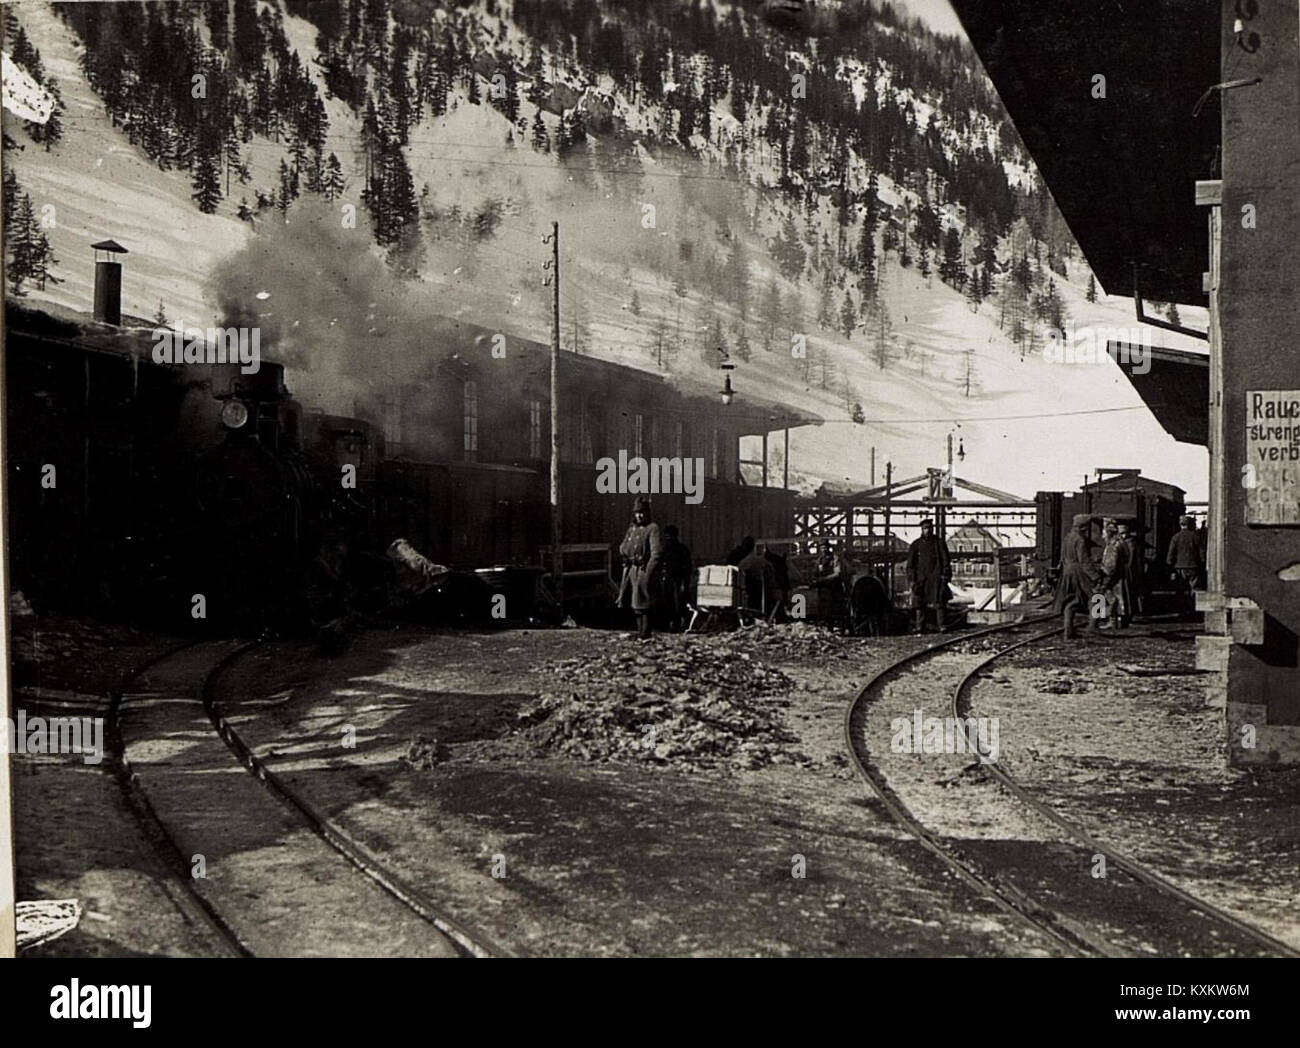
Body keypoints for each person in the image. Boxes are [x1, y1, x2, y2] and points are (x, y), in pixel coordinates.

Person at [617, 497, 664, 639]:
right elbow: (623, 546)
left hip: (644, 569)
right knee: (634, 601)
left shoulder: (653, 528)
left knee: (644, 601)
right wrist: (626, 555)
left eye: (642, 512)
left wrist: (648, 573)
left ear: (647, 513)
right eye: (637, 513)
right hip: (632, 569)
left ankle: (645, 632)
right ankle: (640, 632)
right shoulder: (632, 529)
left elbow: (656, 553)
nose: (640, 515)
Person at [1055, 513, 1102, 639]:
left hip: (1067, 572)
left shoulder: (1067, 537)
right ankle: (1093, 628)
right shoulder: (1080, 540)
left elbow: (1062, 558)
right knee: (1097, 596)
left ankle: (1068, 631)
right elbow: (1084, 561)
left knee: (1072, 601)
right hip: (1078, 572)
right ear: (1083, 527)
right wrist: (1095, 575)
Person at [905, 519, 951, 633]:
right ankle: (919, 626)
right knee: (919, 603)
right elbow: (910, 564)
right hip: (921, 578)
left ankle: (942, 625)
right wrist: (912, 579)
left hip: (936, 577)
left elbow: (946, 560)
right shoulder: (916, 545)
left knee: (940, 601)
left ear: (932, 528)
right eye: (925, 528)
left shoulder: (939, 543)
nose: (927, 530)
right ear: (922, 529)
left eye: (929, 528)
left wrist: (945, 575)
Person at [656, 524, 693, 632]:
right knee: (666, 602)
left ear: (675, 536)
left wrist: (684, 583)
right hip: (666, 580)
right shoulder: (664, 550)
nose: (668, 538)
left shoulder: (682, 550)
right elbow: (660, 564)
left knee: (678, 603)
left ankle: (677, 624)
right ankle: (668, 624)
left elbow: (687, 568)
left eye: (670, 536)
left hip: (677, 580)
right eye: (667, 536)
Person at [1098, 518, 1130, 631]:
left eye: (1103, 533)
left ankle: (1101, 621)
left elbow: (1111, 566)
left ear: (1108, 533)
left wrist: (1104, 579)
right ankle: (1117, 621)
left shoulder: (1113, 546)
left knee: (1102, 595)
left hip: (1113, 577)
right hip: (1120, 576)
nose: (1102, 536)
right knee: (1120, 599)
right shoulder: (1121, 542)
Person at [1167, 515, 1201, 619]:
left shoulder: (1176, 537)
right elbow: (1201, 552)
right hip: (1193, 566)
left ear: (1180, 524)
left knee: (1181, 590)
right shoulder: (1195, 537)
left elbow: (1170, 554)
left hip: (1179, 567)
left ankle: (1182, 612)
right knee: (1194, 589)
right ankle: (1194, 610)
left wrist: (1170, 565)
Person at [1117, 521, 1144, 621]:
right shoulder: (1132, 543)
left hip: (1128, 572)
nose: (1122, 536)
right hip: (1130, 571)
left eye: (1123, 533)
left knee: (1127, 593)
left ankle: (1126, 614)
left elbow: (1131, 560)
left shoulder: (1130, 544)